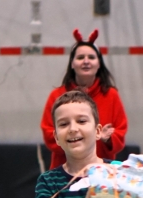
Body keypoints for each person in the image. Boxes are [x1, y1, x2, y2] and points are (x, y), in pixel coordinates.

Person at [41, 29, 128, 169]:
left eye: (91, 57)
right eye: (80, 57)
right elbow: (49, 133)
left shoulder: (111, 95)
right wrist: (75, 141)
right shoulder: (56, 95)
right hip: (64, 170)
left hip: (102, 173)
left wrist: (107, 139)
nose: (86, 61)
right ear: (72, 63)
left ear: (99, 63)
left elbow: (120, 132)